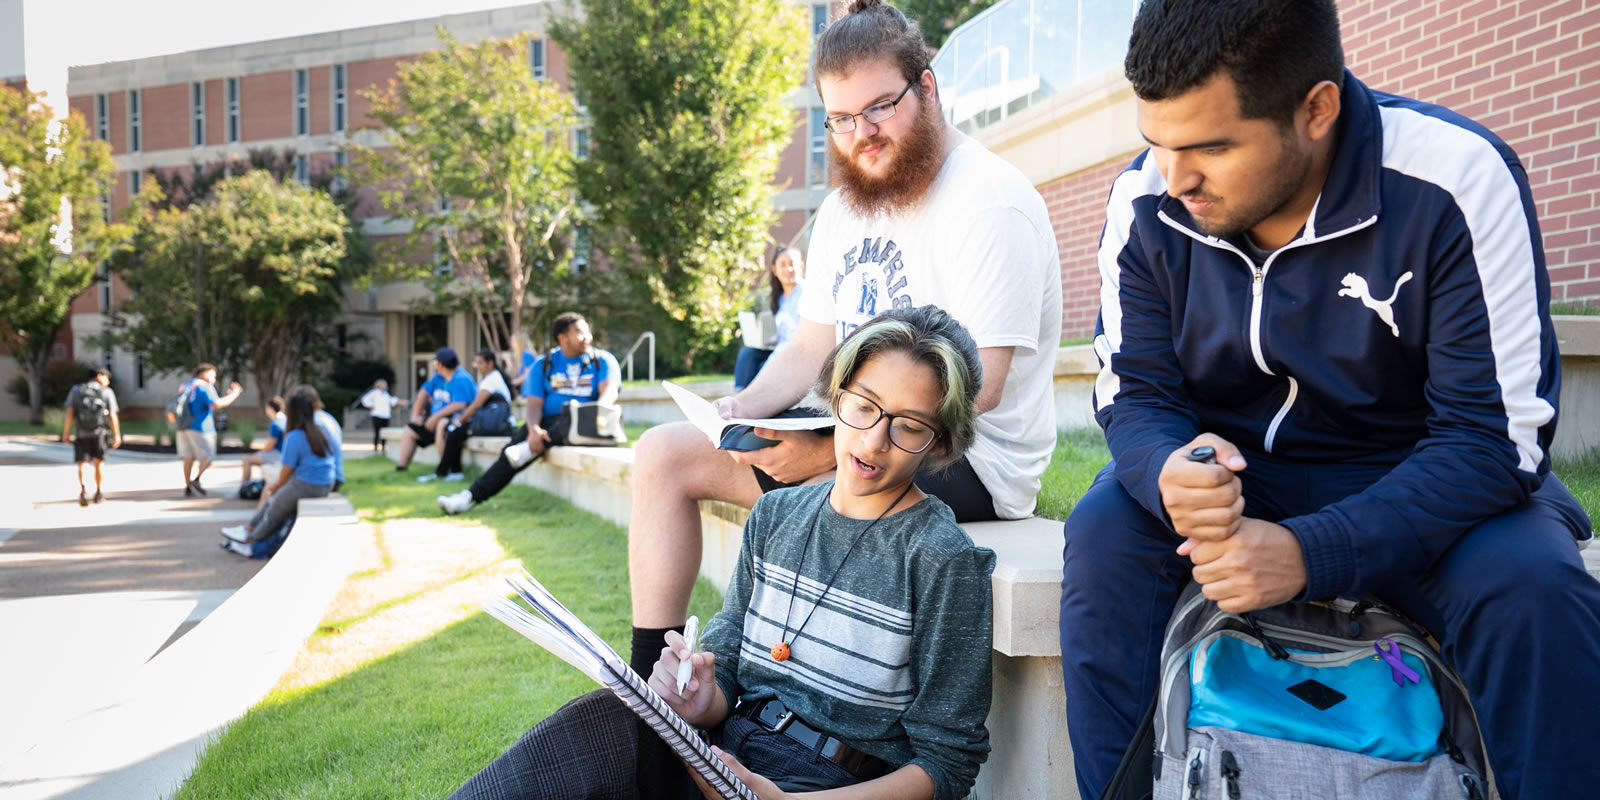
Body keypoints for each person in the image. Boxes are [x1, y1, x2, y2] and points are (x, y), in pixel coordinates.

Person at [1057, 2, 1600, 799]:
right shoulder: (1146, 198)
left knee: (1534, 591)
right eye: (1157, 142)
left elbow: (1494, 438)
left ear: (1317, 109)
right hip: (1244, 475)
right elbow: (1135, 390)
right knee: (1104, 533)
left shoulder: (1455, 179)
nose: (1176, 179)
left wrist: (1313, 554)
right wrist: (1168, 465)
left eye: (1210, 145)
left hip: (1423, 480)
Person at [623, 0, 1061, 678]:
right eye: (843, 119)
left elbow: (982, 389)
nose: (865, 133)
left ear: (928, 86)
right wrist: (743, 410)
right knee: (662, 455)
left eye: (881, 107)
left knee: (810, 495)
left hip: (964, 462)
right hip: (859, 436)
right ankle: (650, 687)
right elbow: (808, 350)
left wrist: (830, 451)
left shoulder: (988, 201)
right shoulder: (845, 208)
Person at [451, 305, 995, 800]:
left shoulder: (941, 559)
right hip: (722, 755)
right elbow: (728, 665)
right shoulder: (776, 516)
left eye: (909, 427)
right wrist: (700, 699)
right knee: (595, 727)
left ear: (941, 442)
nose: (875, 440)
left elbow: (946, 764)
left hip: (828, 785)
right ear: (837, 397)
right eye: (865, 408)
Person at [437, 312, 619, 515]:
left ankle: (528, 449)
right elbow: (534, 404)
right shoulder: (543, 364)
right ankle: (469, 498)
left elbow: (608, 394)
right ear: (562, 337)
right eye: (579, 332)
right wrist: (533, 429)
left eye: (588, 331)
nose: (587, 337)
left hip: (588, 420)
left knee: (569, 418)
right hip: (548, 422)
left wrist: (587, 414)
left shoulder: (603, 361)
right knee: (508, 455)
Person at [219, 392, 338, 556]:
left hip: (307, 485)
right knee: (273, 500)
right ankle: (246, 530)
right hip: (324, 483)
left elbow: (286, 470)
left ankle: (250, 541)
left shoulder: (295, 436)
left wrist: (275, 486)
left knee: (274, 508)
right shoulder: (321, 430)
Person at [426, 348, 514, 483]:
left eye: (480, 363)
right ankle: (451, 471)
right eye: (475, 363)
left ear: (490, 363)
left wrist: (459, 421)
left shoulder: (491, 380)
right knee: (454, 432)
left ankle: (446, 472)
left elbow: (476, 406)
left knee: (454, 431)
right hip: (493, 422)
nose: (477, 366)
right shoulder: (492, 377)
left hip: (495, 424)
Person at [733, 245, 805, 391]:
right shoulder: (777, 298)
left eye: (792, 264)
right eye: (783, 265)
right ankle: (738, 396)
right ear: (774, 270)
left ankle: (745, 400)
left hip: (795, 352)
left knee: (760, 368)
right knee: (747, 353)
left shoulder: (806, 293)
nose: (788, 269)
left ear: (801, 266)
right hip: (777, 349)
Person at [393, 347, 477, 472]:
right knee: (410, 429)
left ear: (442, 364)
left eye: (435, 363)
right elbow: (422, 394)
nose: (435, 366)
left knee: (441, 425)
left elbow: (460, 404)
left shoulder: (461, 378)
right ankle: (402, 468)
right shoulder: (438, 376)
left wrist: (435, 417)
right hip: (434, 419)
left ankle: (445, 469)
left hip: (457, 421)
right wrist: (415, 416)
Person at [175, 363, 243, 497]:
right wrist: (234, 395)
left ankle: (188, 486)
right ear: (204, 373)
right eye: (213, 375)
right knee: (208, 456)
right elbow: (216, 404)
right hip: (201, 427)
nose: (214, 379)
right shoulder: (205, 386)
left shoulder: (186, 385)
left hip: (183, 426)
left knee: (188, 458)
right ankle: (197, 479)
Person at [61, 366, 121, 506]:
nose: (108, 381)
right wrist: (117, 434)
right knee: (98, 463)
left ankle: (83, 489)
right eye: (106, 377)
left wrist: (66, 433)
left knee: (82, 463)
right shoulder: (106, 392)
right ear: (99, 376)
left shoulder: (76, 390)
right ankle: (98, 492)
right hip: (100, 433)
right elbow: (112, 415)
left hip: (81, 432)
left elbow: (70, 413)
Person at [239, 396, 286, 487]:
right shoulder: (285, 419)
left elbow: (270, 446)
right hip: (284, 453)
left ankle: (243, 487)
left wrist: (260, 452)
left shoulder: (276, 423)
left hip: (278, 454)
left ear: (271, 408)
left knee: (247, 460)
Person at [358, 379, 404, 451]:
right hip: (377, 415)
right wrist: (370, 406)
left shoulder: (386, 394)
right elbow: (364, 399)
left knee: (384, 432)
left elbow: (392, 401)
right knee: (377, 432)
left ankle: (383, 447)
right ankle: (376, 447)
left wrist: (402, 402)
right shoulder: (374, 393)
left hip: (385, 415)